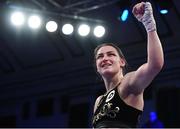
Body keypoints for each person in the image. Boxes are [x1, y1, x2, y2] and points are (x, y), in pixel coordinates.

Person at [92, 1, 164, 128]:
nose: (105, 58)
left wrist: (149, 26)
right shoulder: (99, 101)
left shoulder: (128, 84)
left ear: (122, 62)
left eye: (111, 54)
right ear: (97, 67)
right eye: (100, 56)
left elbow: (155, 65)